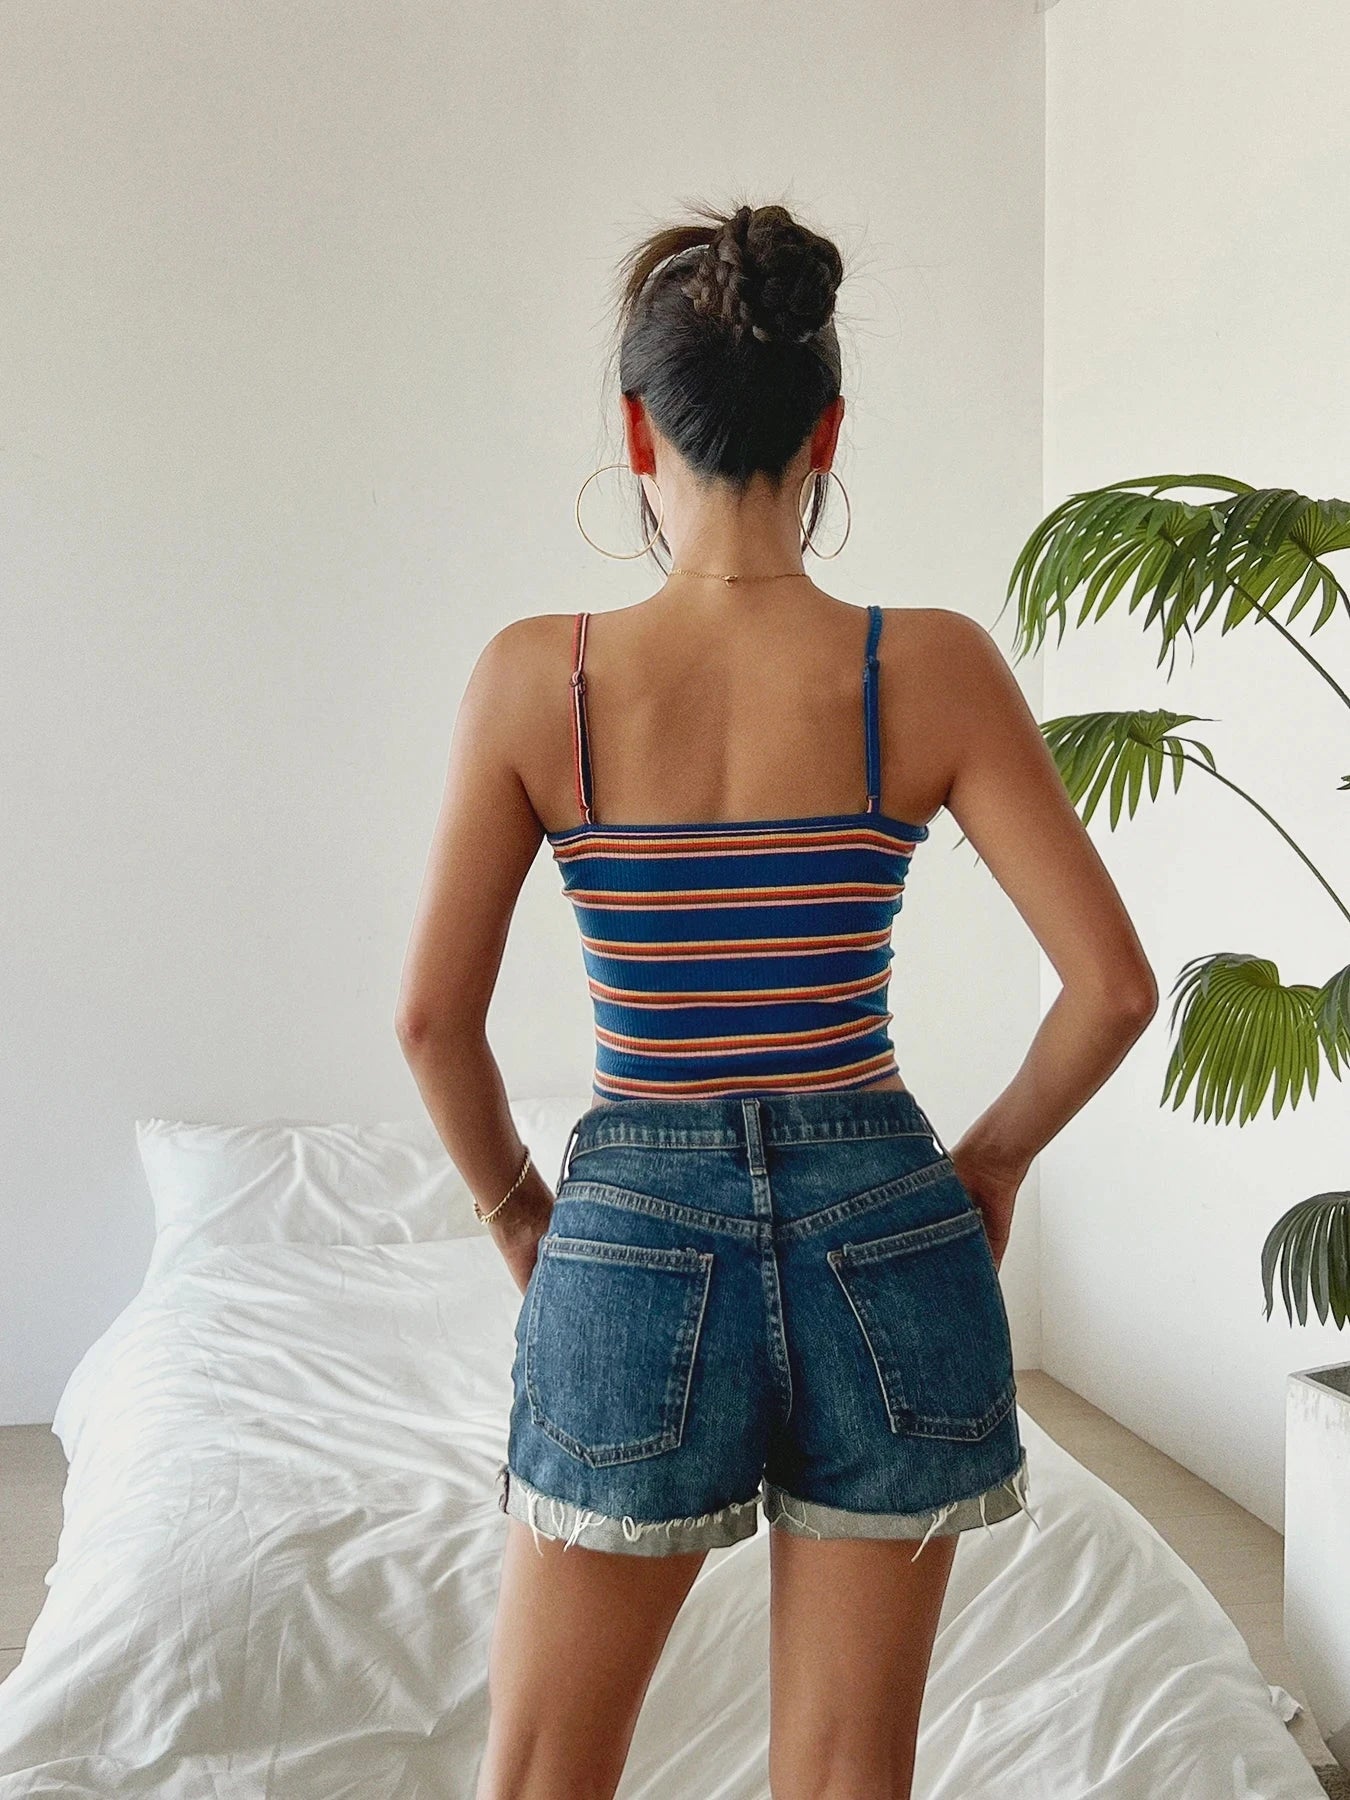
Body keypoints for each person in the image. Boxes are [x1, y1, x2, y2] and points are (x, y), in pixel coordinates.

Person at [396, 199, 1158, 1800]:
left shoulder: (545, 676)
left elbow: (430, 1023)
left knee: (543, 1772)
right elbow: (1107, 990)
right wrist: (994, 1163)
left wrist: (520, 1213)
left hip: (633, 1228)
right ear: (827, 429)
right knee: (844, 1774)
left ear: (634, 423)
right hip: (886, 1220)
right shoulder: (926, 665)